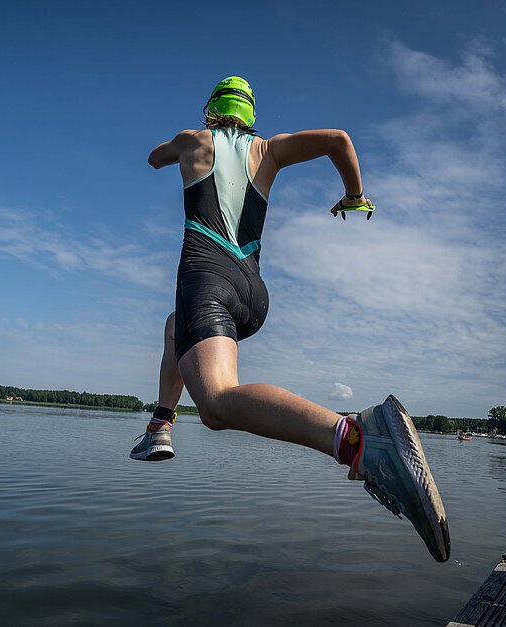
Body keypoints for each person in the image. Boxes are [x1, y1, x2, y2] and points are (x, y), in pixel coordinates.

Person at [129, 76, 450, 563]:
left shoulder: (192, 141)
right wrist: (353, 195)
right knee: (177, 328)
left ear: (210, 111)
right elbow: (338, 139)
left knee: (216, 404)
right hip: (251, 293)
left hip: (208, 276)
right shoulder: (269, 150)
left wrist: (171, 149)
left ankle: (356, 439)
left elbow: (153, 158)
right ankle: (161, 424)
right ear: (251, 114)